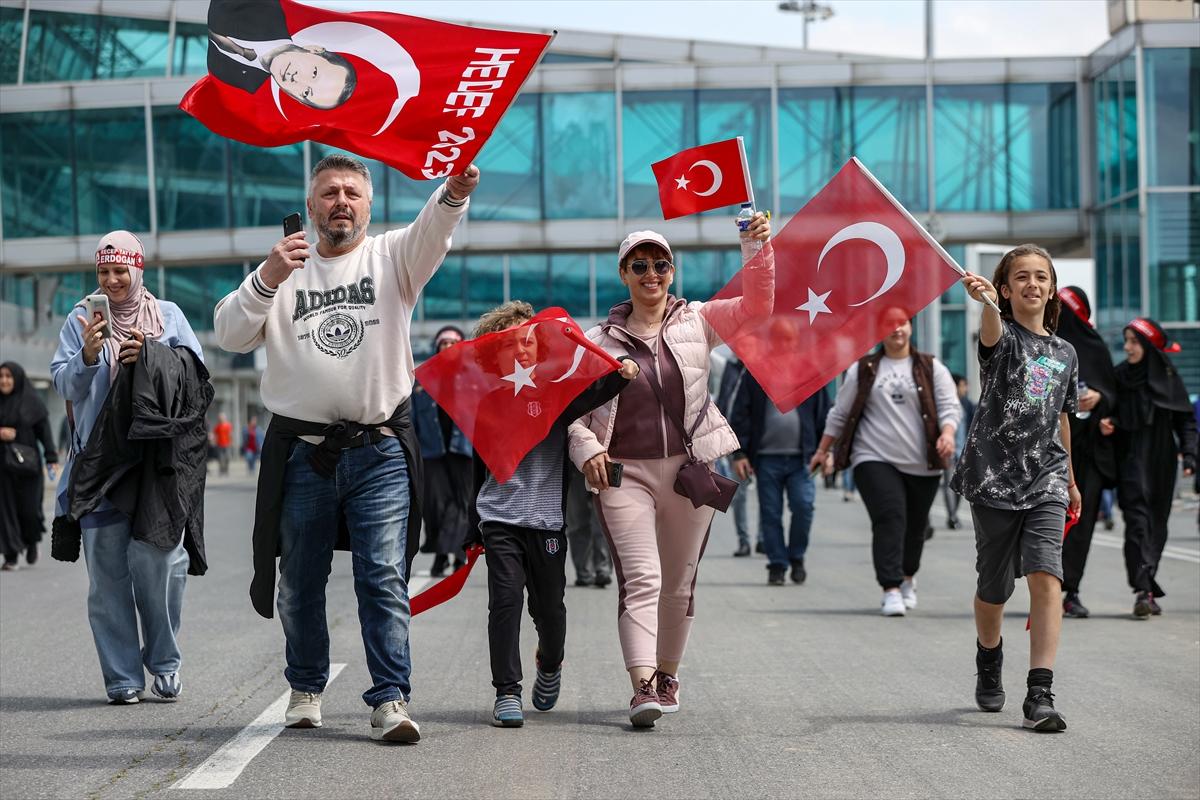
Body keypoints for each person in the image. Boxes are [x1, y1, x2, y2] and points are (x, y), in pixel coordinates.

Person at [213, 153, 478, 742]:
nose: (341, 201)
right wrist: (265, 277)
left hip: (378, 450)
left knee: (381, 576)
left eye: (352, 193)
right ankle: (306, 686)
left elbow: (434, 229)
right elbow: (228, 334)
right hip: (304, 453)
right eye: (329, 192)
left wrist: (453, 191)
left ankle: (390, 699)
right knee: (300, 580)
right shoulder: (284, 269)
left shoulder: (391, 258)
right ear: (311, 206)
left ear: (369, 205)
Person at [568, 214, 773, 728]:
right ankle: (641, 688)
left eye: (661, 264)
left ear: (673, 271)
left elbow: (758, 308)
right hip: (624, 476)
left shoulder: (698, 322)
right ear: (624, 274)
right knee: (642, 579)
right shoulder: (597, 341)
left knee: (679, 584)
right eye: (639, 265)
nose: (651, 273)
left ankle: (666, 674)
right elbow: (570, 413)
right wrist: (586, 448)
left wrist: (755, 246)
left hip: (688, 472)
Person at [50, 230, 206, 704]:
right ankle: (121, 676)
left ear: (137, 270)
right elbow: (62, 383)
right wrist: (89, 356)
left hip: (154, 463)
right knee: (107, 575)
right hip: (98, 466)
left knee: (162, 562)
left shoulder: (169, 316)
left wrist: (153, 356)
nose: (113, 280)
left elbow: (196, 379)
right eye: (104, 271)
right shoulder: (80, 318)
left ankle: (164, 659)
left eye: (121, 270)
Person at [468, 302, 639, 727]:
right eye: (510, 344)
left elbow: (588, 394)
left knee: (550, 609)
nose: (521, 350)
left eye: (527, 341)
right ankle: (507, 691)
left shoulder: (552, 390)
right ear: (495, 353)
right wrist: (470, 527)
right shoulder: (487, 401)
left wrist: (620, 374)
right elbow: (475, 467)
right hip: (500, 518)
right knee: (504, 602)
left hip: (545, 520)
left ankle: (550, 661)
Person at [954, 244, 1081, 733]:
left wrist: (1069, 477)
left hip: (1046, 475)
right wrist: (986, 303)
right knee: (994, 587)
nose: (1033, 284)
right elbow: (989, 332)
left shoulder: (1065, 353)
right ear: (1007, 289)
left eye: (1042, 277)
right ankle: (989, 657)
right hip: (992, 478)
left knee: (1047, 575)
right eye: (1022, 277)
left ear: (1051, 289)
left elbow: (1063, 418)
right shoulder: (1002, 338)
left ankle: (1040, 692)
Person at [813, 313, 960, 614]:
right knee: (889, 517)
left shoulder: (931, 367)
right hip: (873, 456)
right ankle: (890, 587)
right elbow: (840, 413)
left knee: (916, 526)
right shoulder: (863, 369)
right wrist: (823, 449)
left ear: (910, 328)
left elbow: (949, 406)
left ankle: (907, 577)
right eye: (889, 323)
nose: (896, 329)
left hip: (923, 461)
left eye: (903, 322)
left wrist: (947, 434)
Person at [1100, 317, 1196, 618]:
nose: (1127, 347)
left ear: (1148, 346)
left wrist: (1190, 454)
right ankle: (1143, 588)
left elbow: (1186, 420)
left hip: (1162, 460)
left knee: (1157, 523)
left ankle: (1147, 586)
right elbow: (1109, 411)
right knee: (1137, 522)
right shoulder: (1119, 377)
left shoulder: (1168, 377)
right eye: (1126, 341)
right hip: (1131, 458)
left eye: (1133, 342)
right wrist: (1108, 422)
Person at [730, 371, 830, 586]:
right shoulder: (755, 374)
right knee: (770, 513)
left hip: (803, 459)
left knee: (804, 506)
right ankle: (777, 564)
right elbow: (740, 414)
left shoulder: (811, 373)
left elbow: (824, 414)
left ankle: (796, 556)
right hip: (766, 459)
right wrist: (739, 454)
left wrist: (826, 451)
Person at [1054, 287, 1117, 619]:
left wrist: (1098, 397)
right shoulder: (1046, 344)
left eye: (1065, 309)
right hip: (1049, 453)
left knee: (1080, 524)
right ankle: (1046, 586)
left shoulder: (1095, 348)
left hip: (1087, 454)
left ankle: (1070, 590)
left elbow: (1113, 393)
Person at [205, 0, 357, 109]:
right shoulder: (266, 8)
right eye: (314, 73)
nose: (297, 79)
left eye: (306, 92)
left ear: (295, 98)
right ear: (314, 50)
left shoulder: (241, 87)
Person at [413, 325, 473, 578]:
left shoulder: (473, 376)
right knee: (435, 506)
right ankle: (444, 553)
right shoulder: (423, 378)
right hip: (432, 451)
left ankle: (455, 554)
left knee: (459, 504)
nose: (447, 347)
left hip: (463, 450)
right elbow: (412, 417)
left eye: (452, 343)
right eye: (443, 343)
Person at [0, 362, 58, 570]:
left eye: (8, 376)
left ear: (17, 378)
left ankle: (32, 542)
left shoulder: (32, 402)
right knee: (6, 512)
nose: (4, 380)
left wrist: (51, 459)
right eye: (1, 376)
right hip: (4, 471)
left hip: (29, 469)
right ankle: (11, 555)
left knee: (30, 511)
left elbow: (45, 432)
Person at [712, 348, 754, 557]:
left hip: (760, 441)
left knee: (767, 495)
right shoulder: (732, 366)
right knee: (741, 494)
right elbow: (725, 397)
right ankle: (744, 540)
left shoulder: (763, 367)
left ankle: (764, 539)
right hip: (736, 441)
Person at [565, 467, 612, 588]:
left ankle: (601, 570)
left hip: (604, 462)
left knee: (602, 520)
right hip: (575, 464)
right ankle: (585, 573)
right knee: (577, 521)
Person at [941, 374, 976, 530]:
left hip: (963, 452)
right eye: (963, 385)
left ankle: (953, 513)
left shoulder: (967, 405)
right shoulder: (945, 404)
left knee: (959, 485)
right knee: (948, 484)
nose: (965, 389)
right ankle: (952, 516)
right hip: (948, 451)